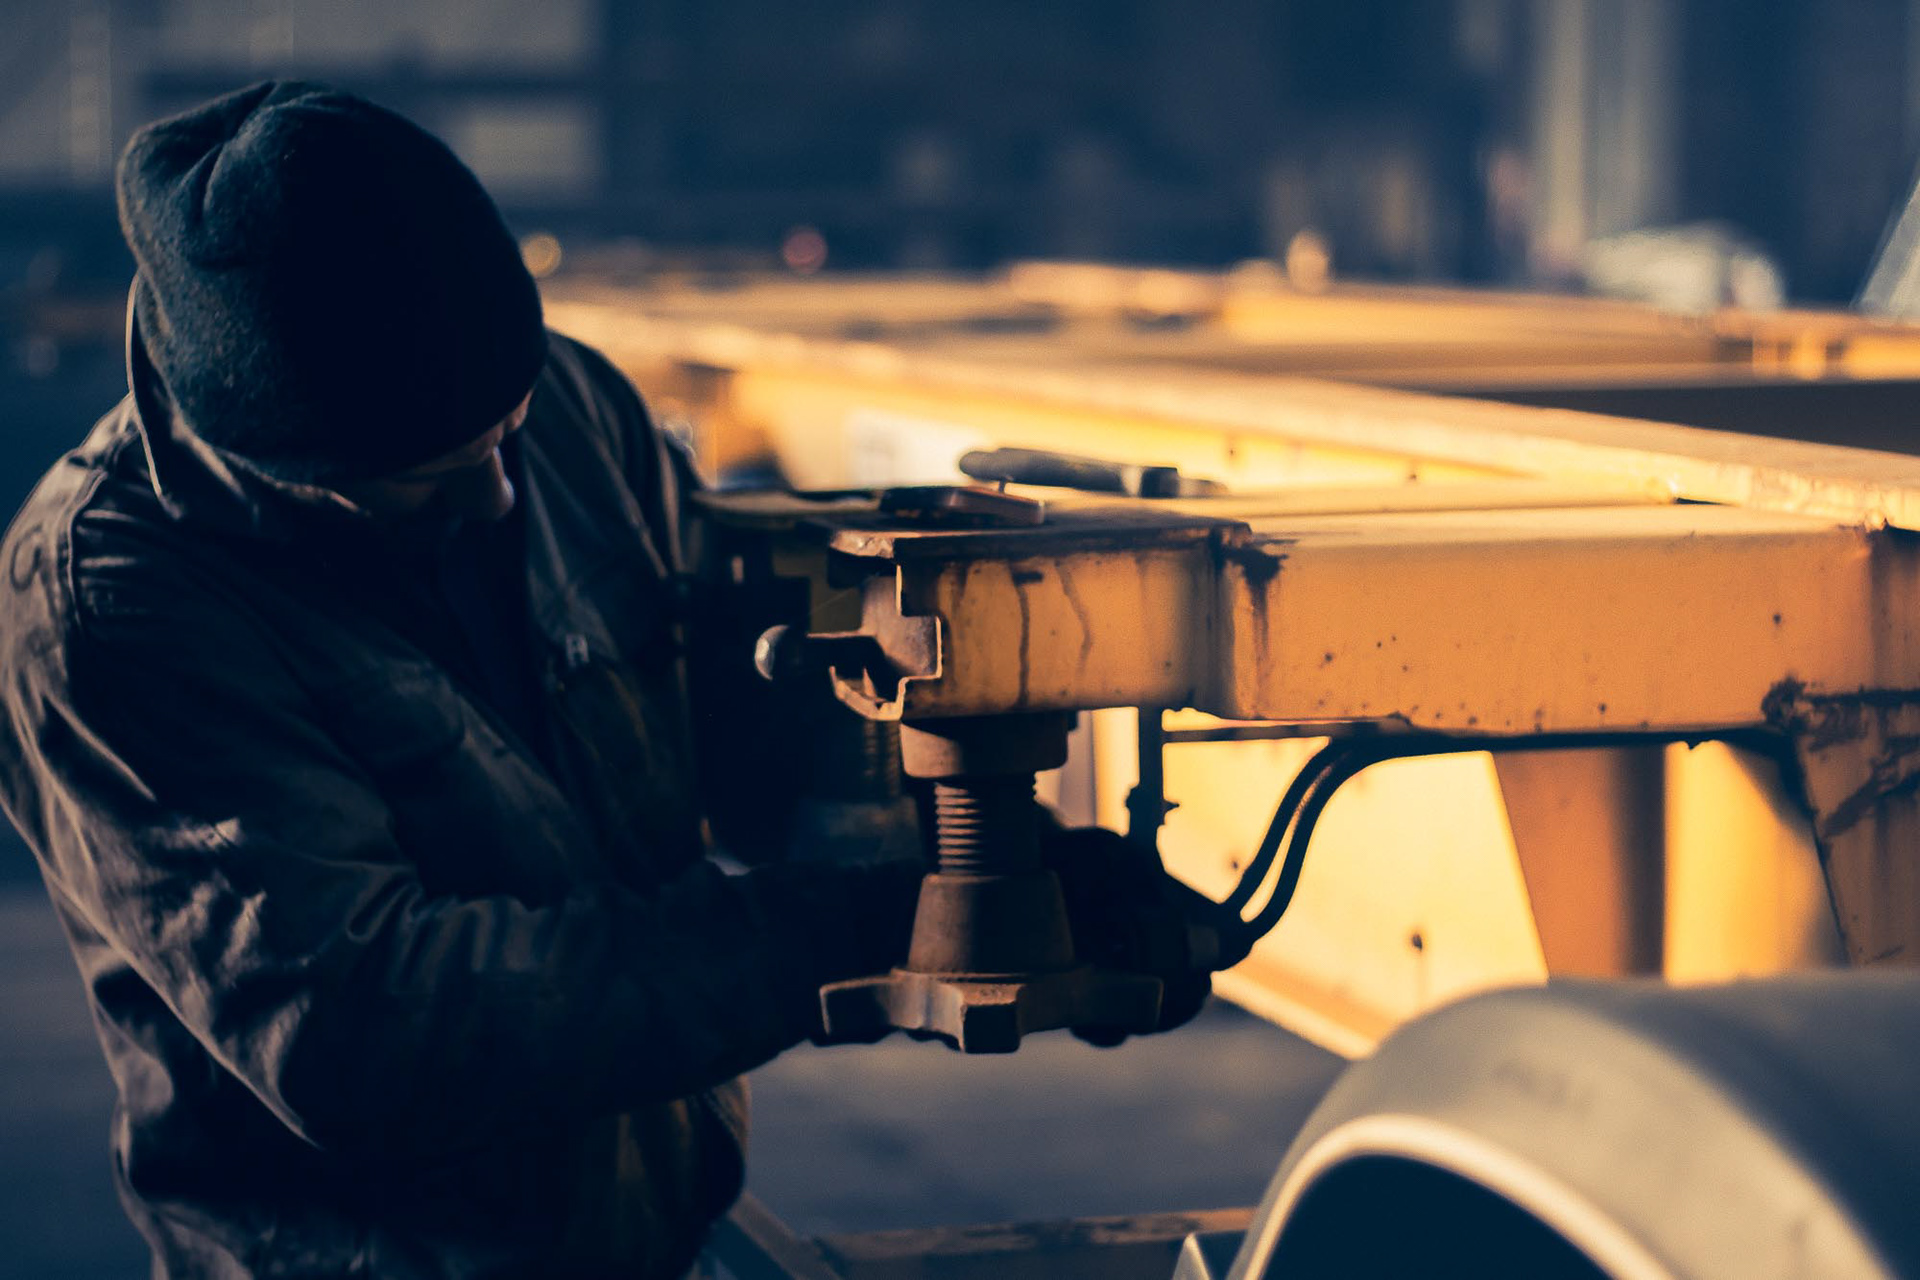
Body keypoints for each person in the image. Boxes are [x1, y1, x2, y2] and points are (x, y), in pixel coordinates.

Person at [0, 82, 1219, 1280]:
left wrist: (994, 869)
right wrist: (846, 926)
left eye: (504, 431)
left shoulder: (572, 406)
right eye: (432, 477)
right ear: (277, 459)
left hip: (651, 1230)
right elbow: (366, 1028)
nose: (500, 496)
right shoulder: (109, 604)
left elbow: (734, 738)